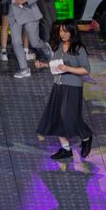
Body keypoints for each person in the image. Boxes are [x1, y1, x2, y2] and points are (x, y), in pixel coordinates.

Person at [34, 22, 92, 161]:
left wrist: (68, 68)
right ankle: (66, 149)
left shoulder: (78, 48)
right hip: (58, 85)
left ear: (72, 32)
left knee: (69, 115)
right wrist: (43, 65)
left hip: (73, 86)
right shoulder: (60, 46)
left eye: (66, 31)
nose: (63, 34)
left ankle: (86, 136)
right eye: (61, 31)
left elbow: (86, 70)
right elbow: (56, 65)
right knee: (57, 115)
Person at [1, 0, 46, 78]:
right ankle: (24, 68)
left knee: (34, 42)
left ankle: (46, 48)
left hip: (29, 12)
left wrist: (24, 0)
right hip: (14, 14)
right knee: (16, 42)